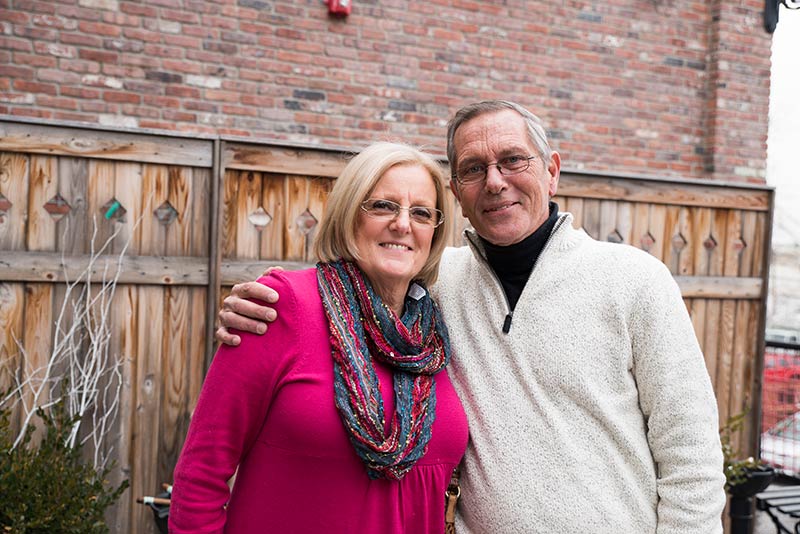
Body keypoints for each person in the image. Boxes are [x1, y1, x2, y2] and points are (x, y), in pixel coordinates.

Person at [217, 101, 727, 533]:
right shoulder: (433, 285)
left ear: (552, 171)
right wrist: (260, 303)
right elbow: (348, 287)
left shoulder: (635, 280)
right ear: (456, 191)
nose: (495, 182)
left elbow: (692, 458)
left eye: (513, 160)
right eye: (473, 168)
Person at [170, 142, 468, 534]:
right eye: (383, 206)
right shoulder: (280, 306)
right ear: (348, 214)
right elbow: (201, 474)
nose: (402, 224)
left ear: (435, 231)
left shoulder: (435, 335)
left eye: (421, 213)